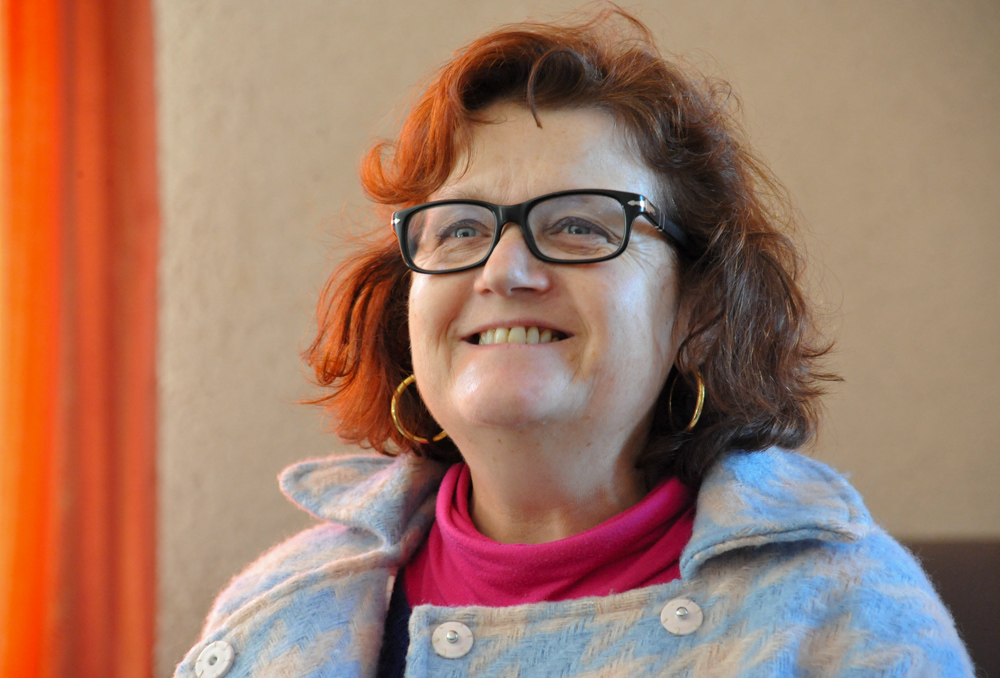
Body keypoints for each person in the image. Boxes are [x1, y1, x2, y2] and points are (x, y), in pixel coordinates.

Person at [174, 8, 973, 678]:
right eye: (459, 229)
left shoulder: (848, 614)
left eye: (580, 225)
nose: (505, 270)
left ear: (696, 311)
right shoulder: (275, 608)